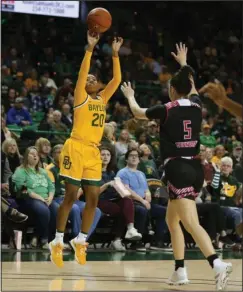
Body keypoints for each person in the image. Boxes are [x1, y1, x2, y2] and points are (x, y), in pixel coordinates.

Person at [121, 43, 232, 290]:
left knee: (191, 223)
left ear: (172, 89)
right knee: (173, 222)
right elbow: (191, 84)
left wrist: (130, 96)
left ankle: (217, 264)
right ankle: (180, 270)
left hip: (177, 169)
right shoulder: (196, 104)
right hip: (194, 169)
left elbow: (138, 113)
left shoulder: (166, 109)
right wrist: (184, 63)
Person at [49, 31, 123, 268]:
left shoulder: (102, 99)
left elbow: (117, 80)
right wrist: (90, 49)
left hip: (92, 151)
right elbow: (82, 73)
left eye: (94, 79)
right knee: (71, 196)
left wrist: (114, 54)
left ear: (99, 85)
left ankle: (80, 240)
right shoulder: (81, 97)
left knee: (93, 199)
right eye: (88, 79)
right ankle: (58, 241)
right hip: (75, 147)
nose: (90, 80)